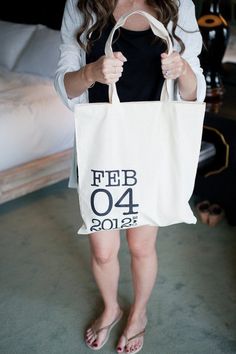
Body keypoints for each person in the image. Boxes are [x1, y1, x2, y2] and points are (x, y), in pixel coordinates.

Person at [54, 0, 206, 353]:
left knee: (141, 245)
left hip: (152, 146)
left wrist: (181, 69)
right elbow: (65, 86)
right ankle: (112, 307)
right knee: (103, 250)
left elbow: (193, 91)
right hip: (102, 147)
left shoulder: (178, 4)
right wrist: (91, 73)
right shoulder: (81, 5)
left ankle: (138, 313)